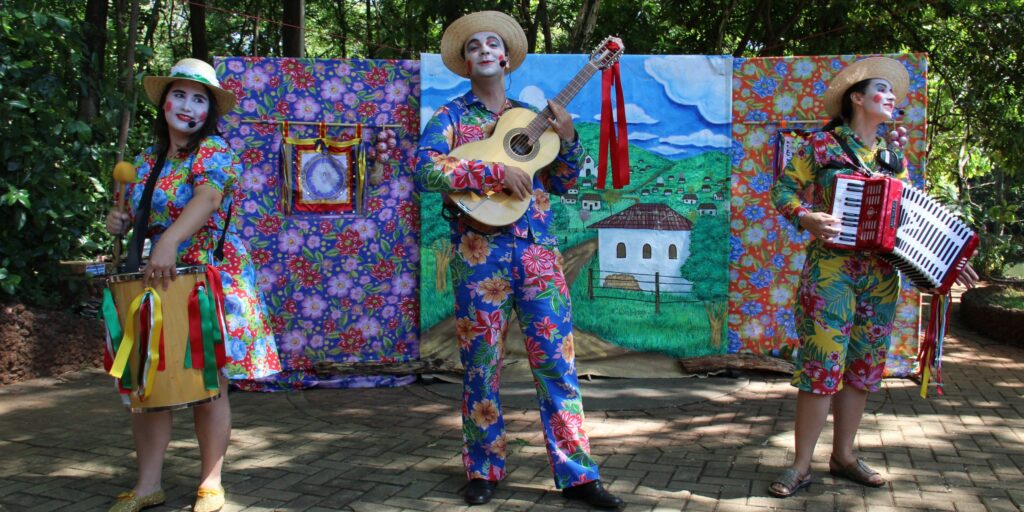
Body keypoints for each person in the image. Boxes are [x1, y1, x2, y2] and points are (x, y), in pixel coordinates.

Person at [415, 11, 623, 510]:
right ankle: (483, 469)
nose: (484, 50)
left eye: (493, 44)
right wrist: (494, 170)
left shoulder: (535, 117)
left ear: (506, 58)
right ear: (465, 63)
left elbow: (568, 183)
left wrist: (569, 136)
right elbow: (424, 169)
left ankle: (578, 476)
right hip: (478, 254)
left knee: (558, 365)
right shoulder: (449, 118)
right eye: (473, 47)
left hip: (539, 254)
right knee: (480, 366)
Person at [768, 56, 978, 497]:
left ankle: (843, 456)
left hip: (881, 277)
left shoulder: (892, 157)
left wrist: (950, 260)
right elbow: (783, 189)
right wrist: (806, 217)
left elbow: (911, 219)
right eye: (881, 90)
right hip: (831, 271)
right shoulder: (821, 147)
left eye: (893, 93)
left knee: (862, 368)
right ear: (857, 98)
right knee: (822, 366)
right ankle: (800, 465)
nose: (891, 97)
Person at [105, 58, 281, 512]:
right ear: (164, 103)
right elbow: (141, 223)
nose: (187, 105)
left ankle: (210, 483)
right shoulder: (146, 162)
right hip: (156, 282)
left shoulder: (215, 153)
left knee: (208, 381)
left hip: (209, 278)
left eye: (199, 98)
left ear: (210, 111)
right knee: (148, 384)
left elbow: (208, 198)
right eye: (179, 95)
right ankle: (148, 485)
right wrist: (122, 222)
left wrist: (167, 242)